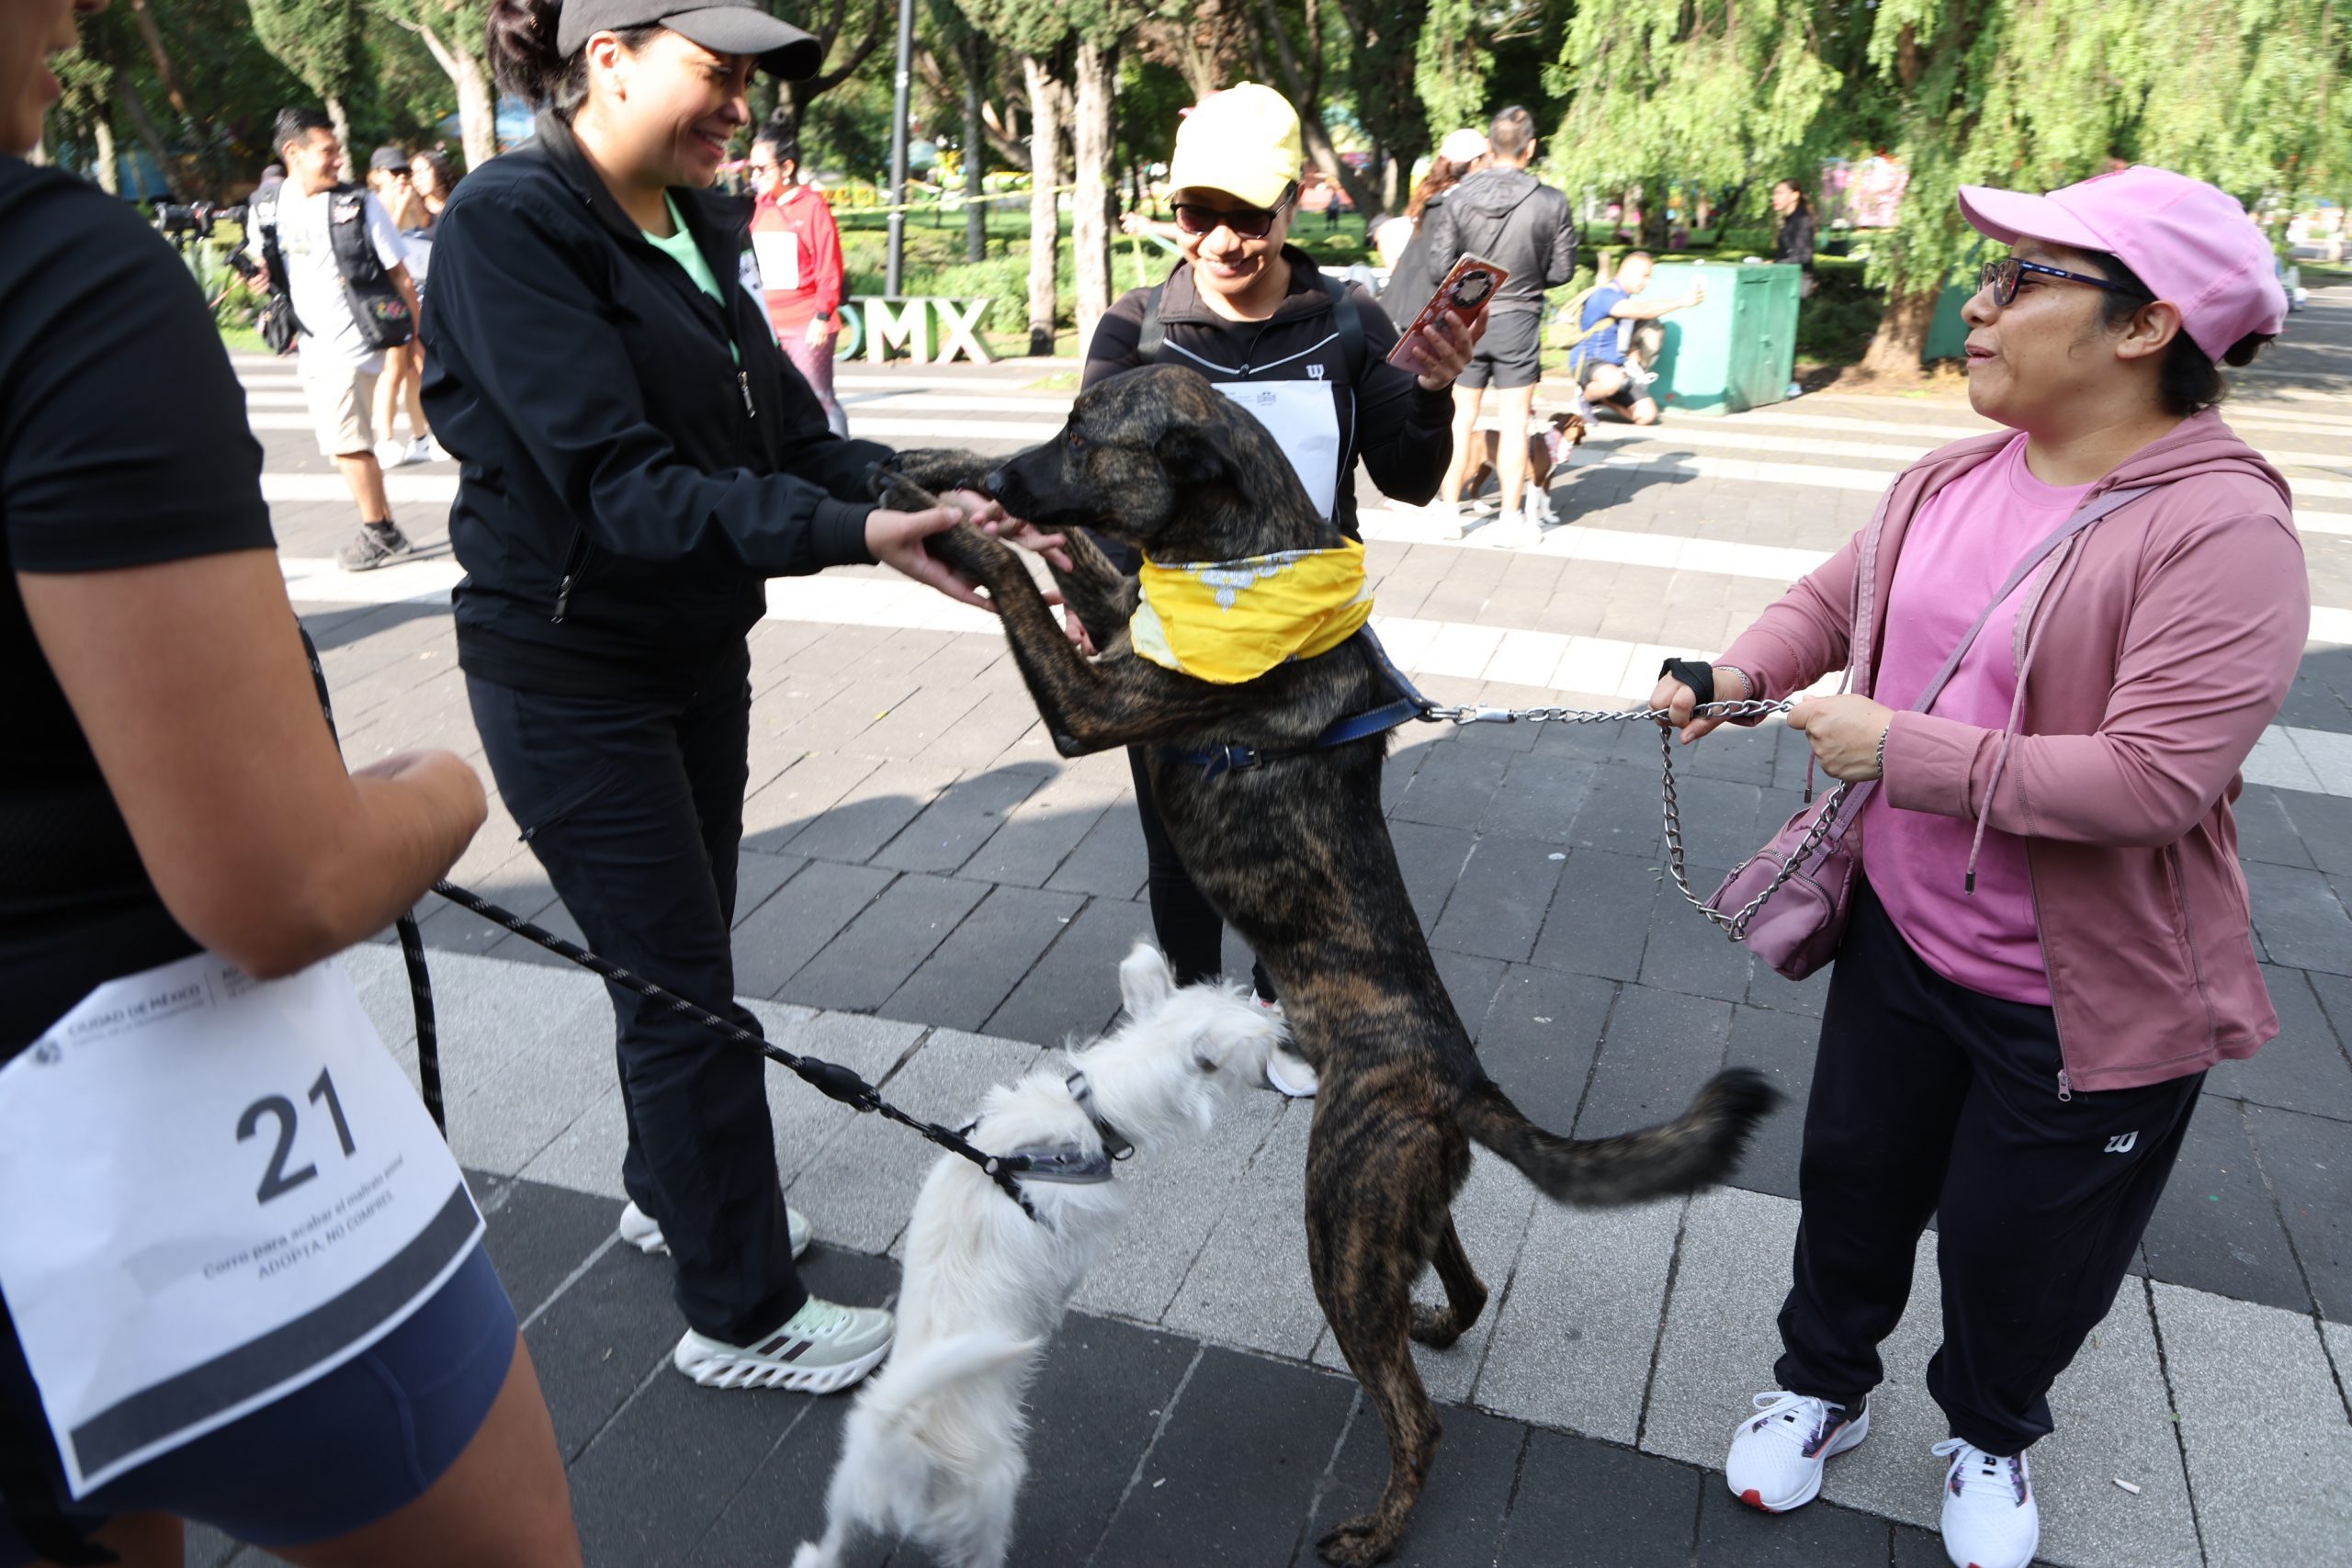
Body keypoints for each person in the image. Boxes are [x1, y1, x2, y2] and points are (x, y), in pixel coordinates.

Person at [1, 1, 579, 1562]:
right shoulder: (54, 276)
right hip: (170, 1163)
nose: (70, 17)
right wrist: (441, 788)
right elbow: (281, 880)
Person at [1652, 166, 2296, 1568]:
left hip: (2082, 997)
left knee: (2020, 1248)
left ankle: (1992, 1426)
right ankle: (1821, 1384)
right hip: (1904, 939)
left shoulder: (2223, 531)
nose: (1979, 304)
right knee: (1854, 1181)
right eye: (1986, 276)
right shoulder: (1950, 472)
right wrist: (1736, 668)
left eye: (2023, 280)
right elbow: (1840, 595)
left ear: (2145, 328)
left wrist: (1903, 750)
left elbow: (2154, 780)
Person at [427, 0, 1016, 1396]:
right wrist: (849, 537)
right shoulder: (513, 224)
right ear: (608, 53)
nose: (737, 104)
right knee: (686, 991)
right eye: (712, 71)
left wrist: (920, 499)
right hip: (571, 672)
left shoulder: (702, 220)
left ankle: (671, 1187)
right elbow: (618, 483)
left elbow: (791, 439)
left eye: (748, 80)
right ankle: (740, 1313)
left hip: (695, 652)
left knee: (673, 964)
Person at [1080, 83, 1478, 1099]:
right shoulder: (1136, 330)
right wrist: (1113, 613)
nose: (1220, 242)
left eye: (1247, 217)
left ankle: (1276, 1013)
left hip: (1310, 651)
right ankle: (1186, 1015)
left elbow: (1409, 476)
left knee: (1304, 850)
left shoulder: (1347, 319)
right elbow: (1090, 497)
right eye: (1195, 215)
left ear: (1295, 200)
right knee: (1183, 849)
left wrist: (1431, 393)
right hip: (1176, 650)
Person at [248, 107, 423, 571]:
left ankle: (379, 531)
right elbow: (268, 268)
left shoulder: (358, 204)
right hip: (311, 342)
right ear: (293, 153)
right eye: (327, 152)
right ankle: (386, 526)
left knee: (347, 444)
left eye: (337, 150)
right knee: (351, 444)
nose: (338, 160)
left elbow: (401, 278)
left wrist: (417, 337)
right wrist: (260, 279)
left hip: (349, 342)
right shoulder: (266, 206)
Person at [1424, 106, 1578, 547]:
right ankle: (1510, 521)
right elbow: (1564, 270)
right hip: (1520, 320)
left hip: (1467, 318)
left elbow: (1438, 266)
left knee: (1459, 419)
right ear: (1530, 148)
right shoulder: (1551, 201)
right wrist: (1526, 278)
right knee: (1515, 424)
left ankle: (1449, 513)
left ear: (1489, 149)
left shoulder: (1458, 197)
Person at [747, 131, 848, 437]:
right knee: (774, 401)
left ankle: (845, 463)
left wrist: (822, 315)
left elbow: (829, 265)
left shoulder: (813, 206)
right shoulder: (756, 207)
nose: (754, 176)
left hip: (807, 323)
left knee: (818, 398)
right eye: (751, 169)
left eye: (762, 169)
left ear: (787, 168)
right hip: (766, 324)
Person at [366, 145, 438, 469]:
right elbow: (386, 250)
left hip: (411, 298)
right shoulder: (371, 205)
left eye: (404, 173)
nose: (401, 179)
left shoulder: (407, 204)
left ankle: (422, 438)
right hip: (388, 300)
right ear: (376, 176)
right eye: (394, 173)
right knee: (394, 370)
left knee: (418, 370)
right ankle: (384, 440)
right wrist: (403, 206)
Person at [1571, 251, 1704, 426]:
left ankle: (1603, 399)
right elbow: (1642, 311)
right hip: (1590, 363)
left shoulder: (1623, 296)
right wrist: (1681, 302)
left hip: (1618, 370)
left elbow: (1623, 331)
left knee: (1646, 416)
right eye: (1645, 276)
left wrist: (1633, 351)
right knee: (1612, 380)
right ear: (1628, 271)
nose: (1647, 282)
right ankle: (1584, 398)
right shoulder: (1606, 295)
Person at [1374, 127, 1487, 315]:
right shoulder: (1455, 204)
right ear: (1475, 162)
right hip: (1424, 312)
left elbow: (1387, 233)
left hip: (1399, 303)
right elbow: (1441, 269)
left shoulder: (1432, 196)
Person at [1772, 177, 1816, 295]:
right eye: (1775, 193)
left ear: (1794, 196)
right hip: (1789, 279)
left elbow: (1804, 256)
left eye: (1780, 193)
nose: (1774, 197)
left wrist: (1776, 263)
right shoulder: (1790, 219)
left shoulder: (1802, 220)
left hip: (1798, 284)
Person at [410, 146, 459, 223]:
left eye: (421, 171)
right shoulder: (416, 213)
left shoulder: (459, 201)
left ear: (437, 168)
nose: (417, 178)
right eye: (413, 174)